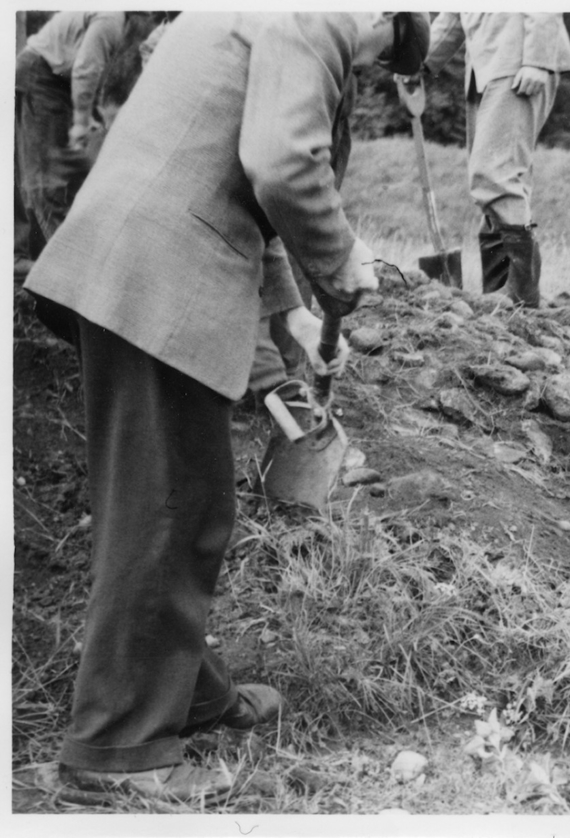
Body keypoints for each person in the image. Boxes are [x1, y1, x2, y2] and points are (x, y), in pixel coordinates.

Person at [22, 12, 429, 804]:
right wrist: (342, 261)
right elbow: (280, 166)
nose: (366, 69)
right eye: (381, 55)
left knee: (176, 503)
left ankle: (188, 695)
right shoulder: (316, 16)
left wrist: (294, 315)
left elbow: (242, 182)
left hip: (129, 259)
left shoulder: (250, 14)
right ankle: (117, 751)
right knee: (168, 510)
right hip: (160, 270)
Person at [421, 13, 570, 307]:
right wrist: (418, 62)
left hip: (519, 62)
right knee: (496, 180)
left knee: (494, 174)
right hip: (487, 66)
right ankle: (502, 295)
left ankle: (522, 295)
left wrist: (537, 60)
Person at [14, 12, 161, 262]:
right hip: (41, 75)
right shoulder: (111, 20)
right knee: (48, 183)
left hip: (58, 80)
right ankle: (72, 266)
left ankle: (91, 251)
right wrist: (81, 122)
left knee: (76, 172)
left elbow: (94, 67)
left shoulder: (119, 25)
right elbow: (86, 68)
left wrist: (90, 113)